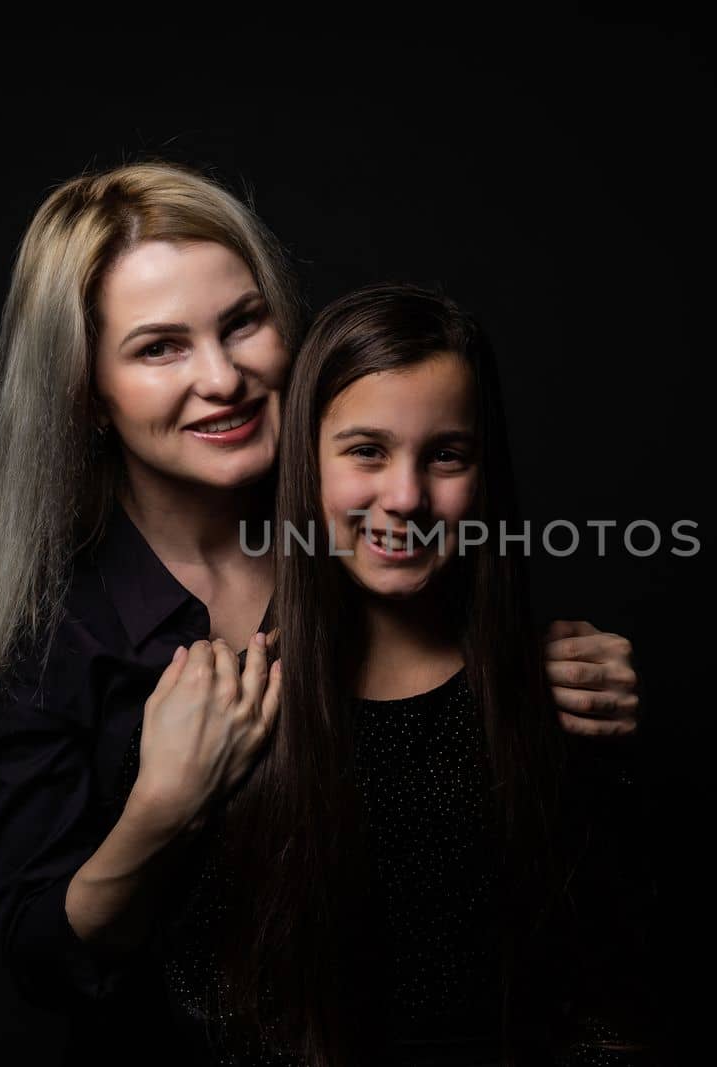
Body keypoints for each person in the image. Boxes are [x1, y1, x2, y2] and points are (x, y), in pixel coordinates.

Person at [0, 161, 646, 1059]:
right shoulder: (52, 638)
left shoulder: (377, 517)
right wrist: (161, 807)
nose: (223, 377)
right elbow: (42, 960)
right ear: (88, 393)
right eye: (160, 347)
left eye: (242, 323)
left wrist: (544, 676)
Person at [131, 282, 656, 1066]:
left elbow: (608, 1000)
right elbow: (213, 1005)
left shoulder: (559, 708)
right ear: (307, 461)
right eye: (367, 450)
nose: (405, 497)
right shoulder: (242, 714)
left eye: (446, 454)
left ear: (486, 474)